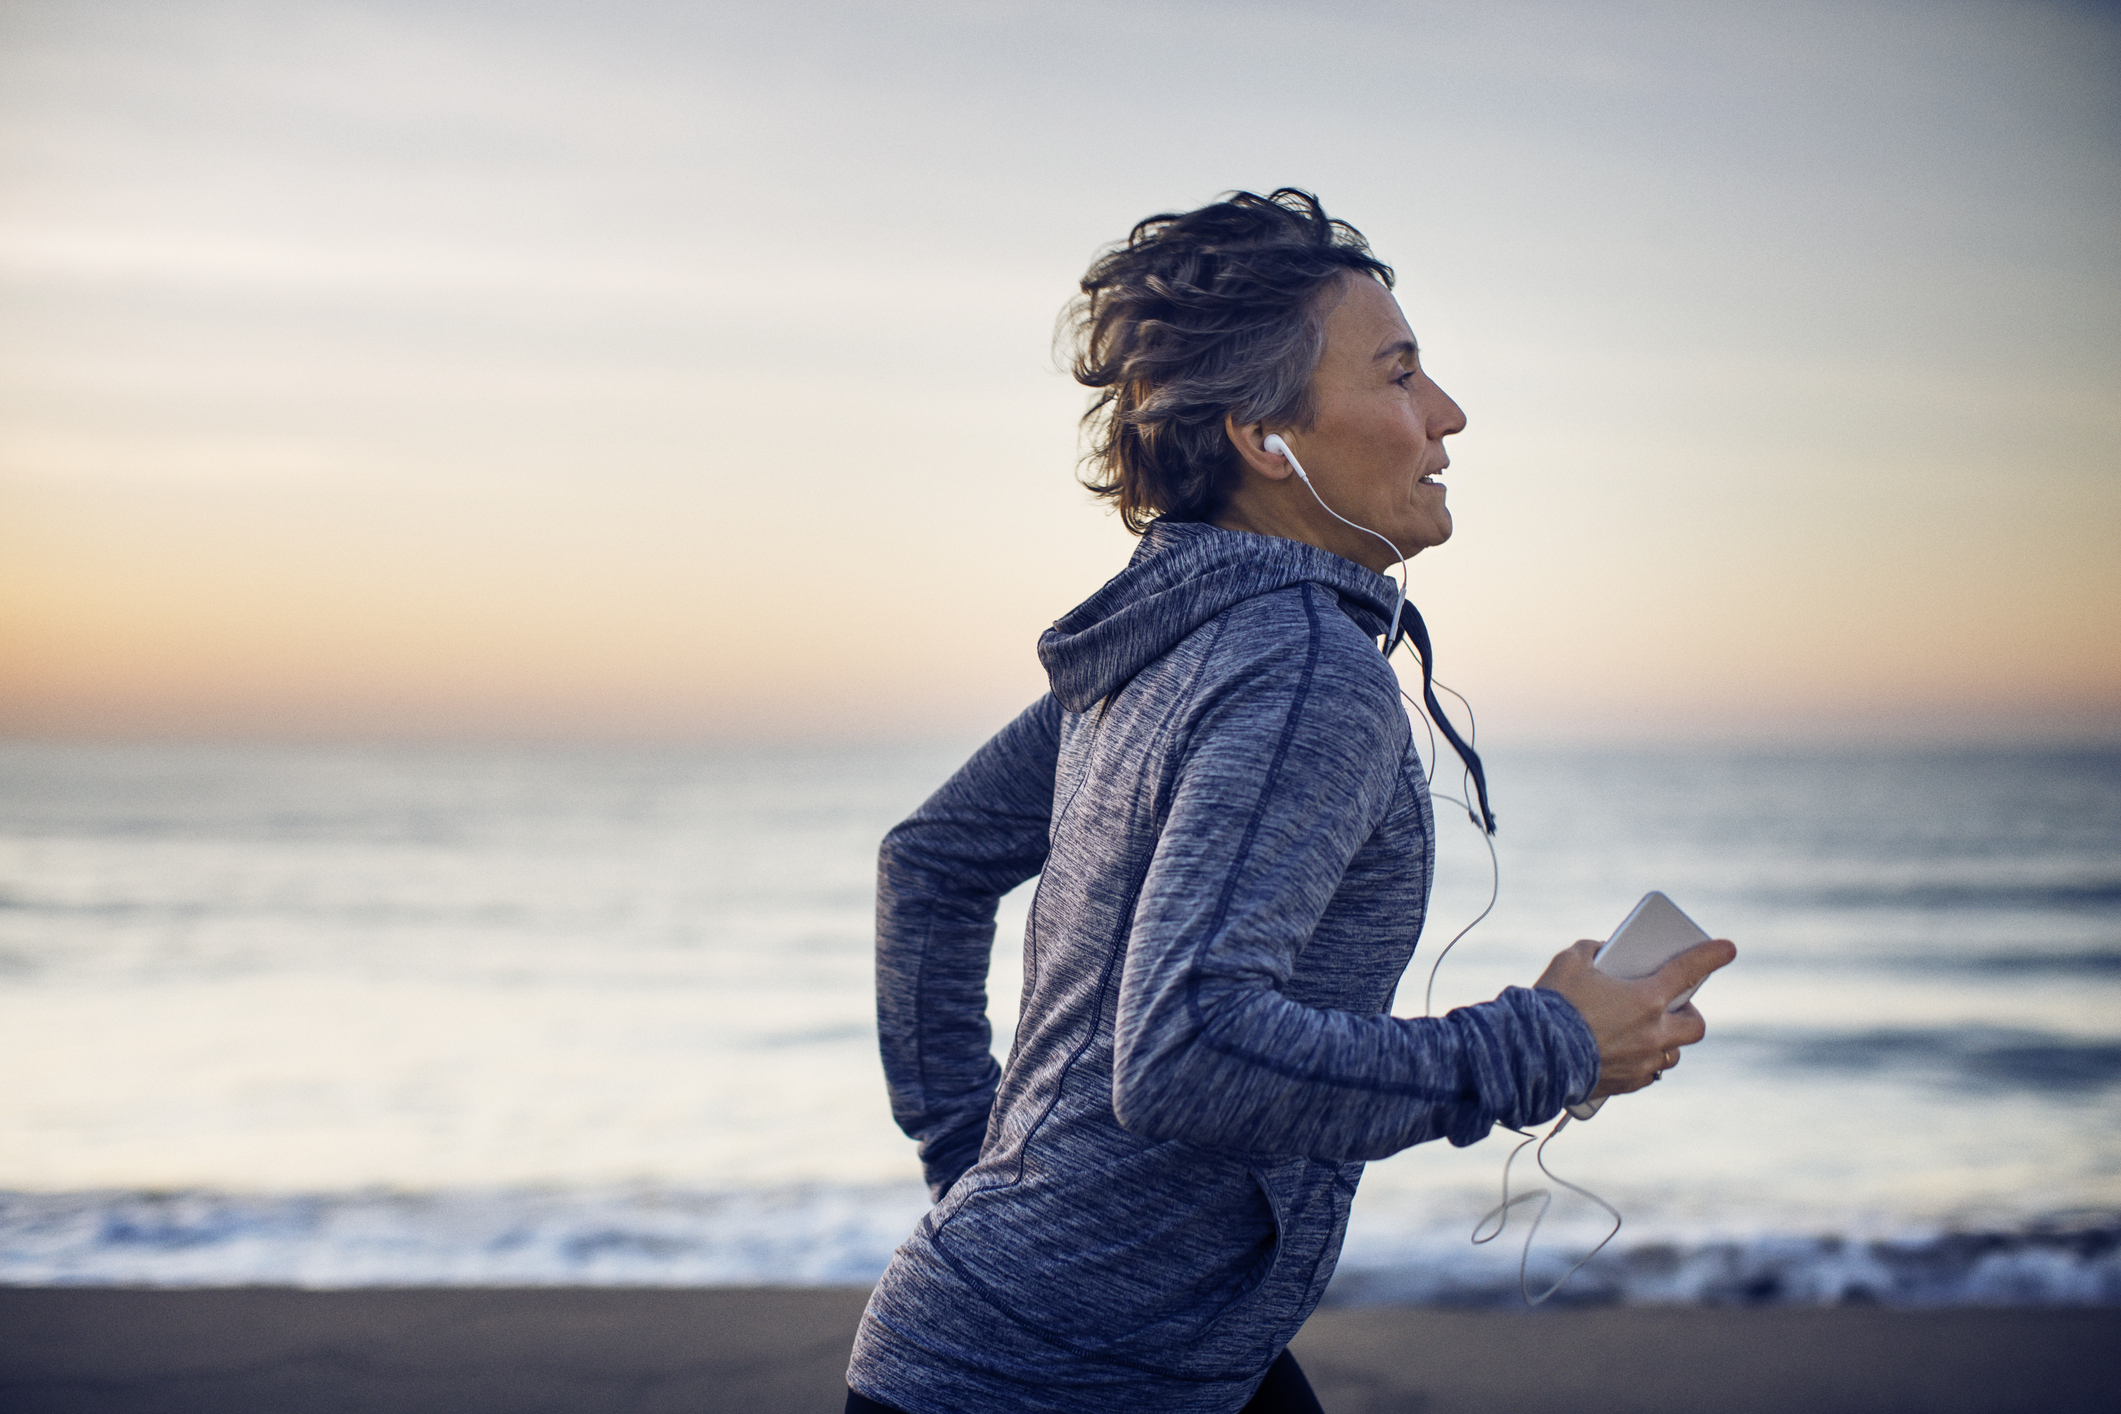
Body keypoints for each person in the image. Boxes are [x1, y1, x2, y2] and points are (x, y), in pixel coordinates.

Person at [844, 189, 1734, 1414]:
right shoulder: (1304, 671)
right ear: (1267, 437)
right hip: (1056, 1382)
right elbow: (1187, 1047)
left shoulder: (1173, 644)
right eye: (1403, 373)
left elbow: (928, 862)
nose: (1449, 414)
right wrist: (1550, 1043)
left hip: (1126, 1346)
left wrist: (984, 1175)